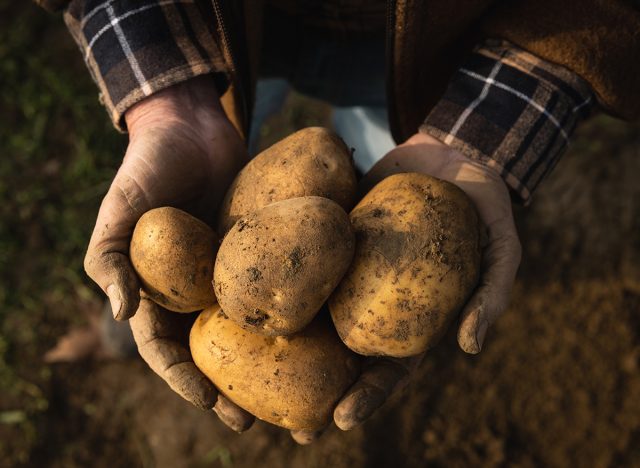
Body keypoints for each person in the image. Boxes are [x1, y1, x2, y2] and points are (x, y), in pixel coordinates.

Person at [38, 0, 639, 444]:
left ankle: (120, 322)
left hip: (434, 49)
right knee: (152, 261)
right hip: (219, 29)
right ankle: (118, 325)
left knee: (378, 160)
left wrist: (485, 134)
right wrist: (164, 99)